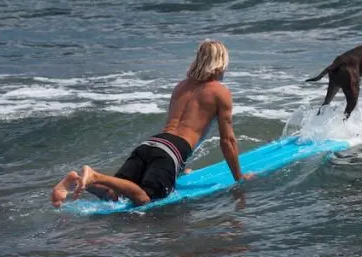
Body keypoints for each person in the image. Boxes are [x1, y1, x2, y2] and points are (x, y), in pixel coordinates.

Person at [51, 39, 254, 208]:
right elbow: (227, 141)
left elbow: (179, 130)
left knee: (116, 194)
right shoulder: (220, 92)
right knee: (145, 198)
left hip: (152, 144)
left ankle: (76, 180)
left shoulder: (180, 87)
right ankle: (94, 176)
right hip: (170, 152)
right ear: (220, 63)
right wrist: (239, 177)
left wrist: (178, 169)